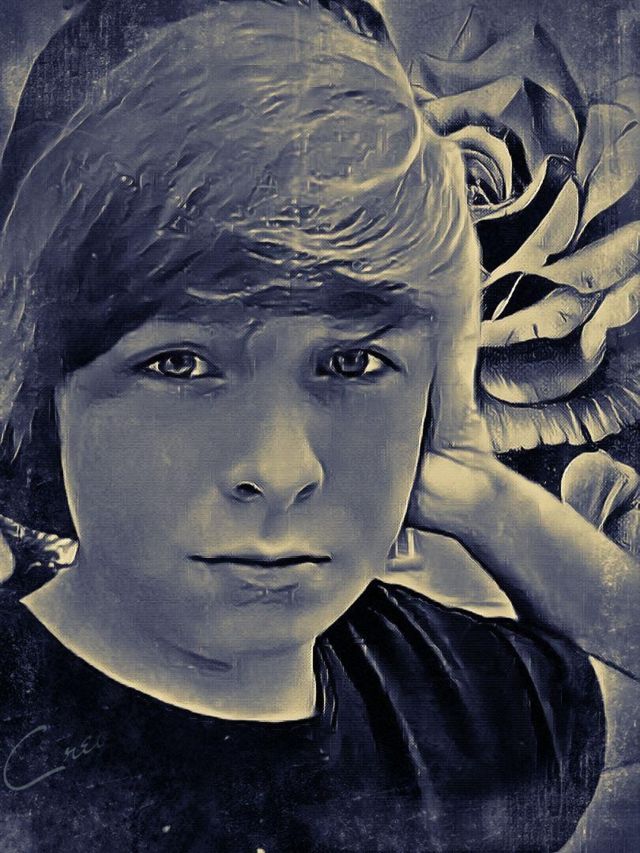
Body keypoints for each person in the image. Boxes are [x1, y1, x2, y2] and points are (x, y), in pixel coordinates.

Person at [0, 0, 630, 850]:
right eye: (180, 363)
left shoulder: (466, 707)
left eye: (352, 362)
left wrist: (477, 488)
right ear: (49, 377)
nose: (281, 467)